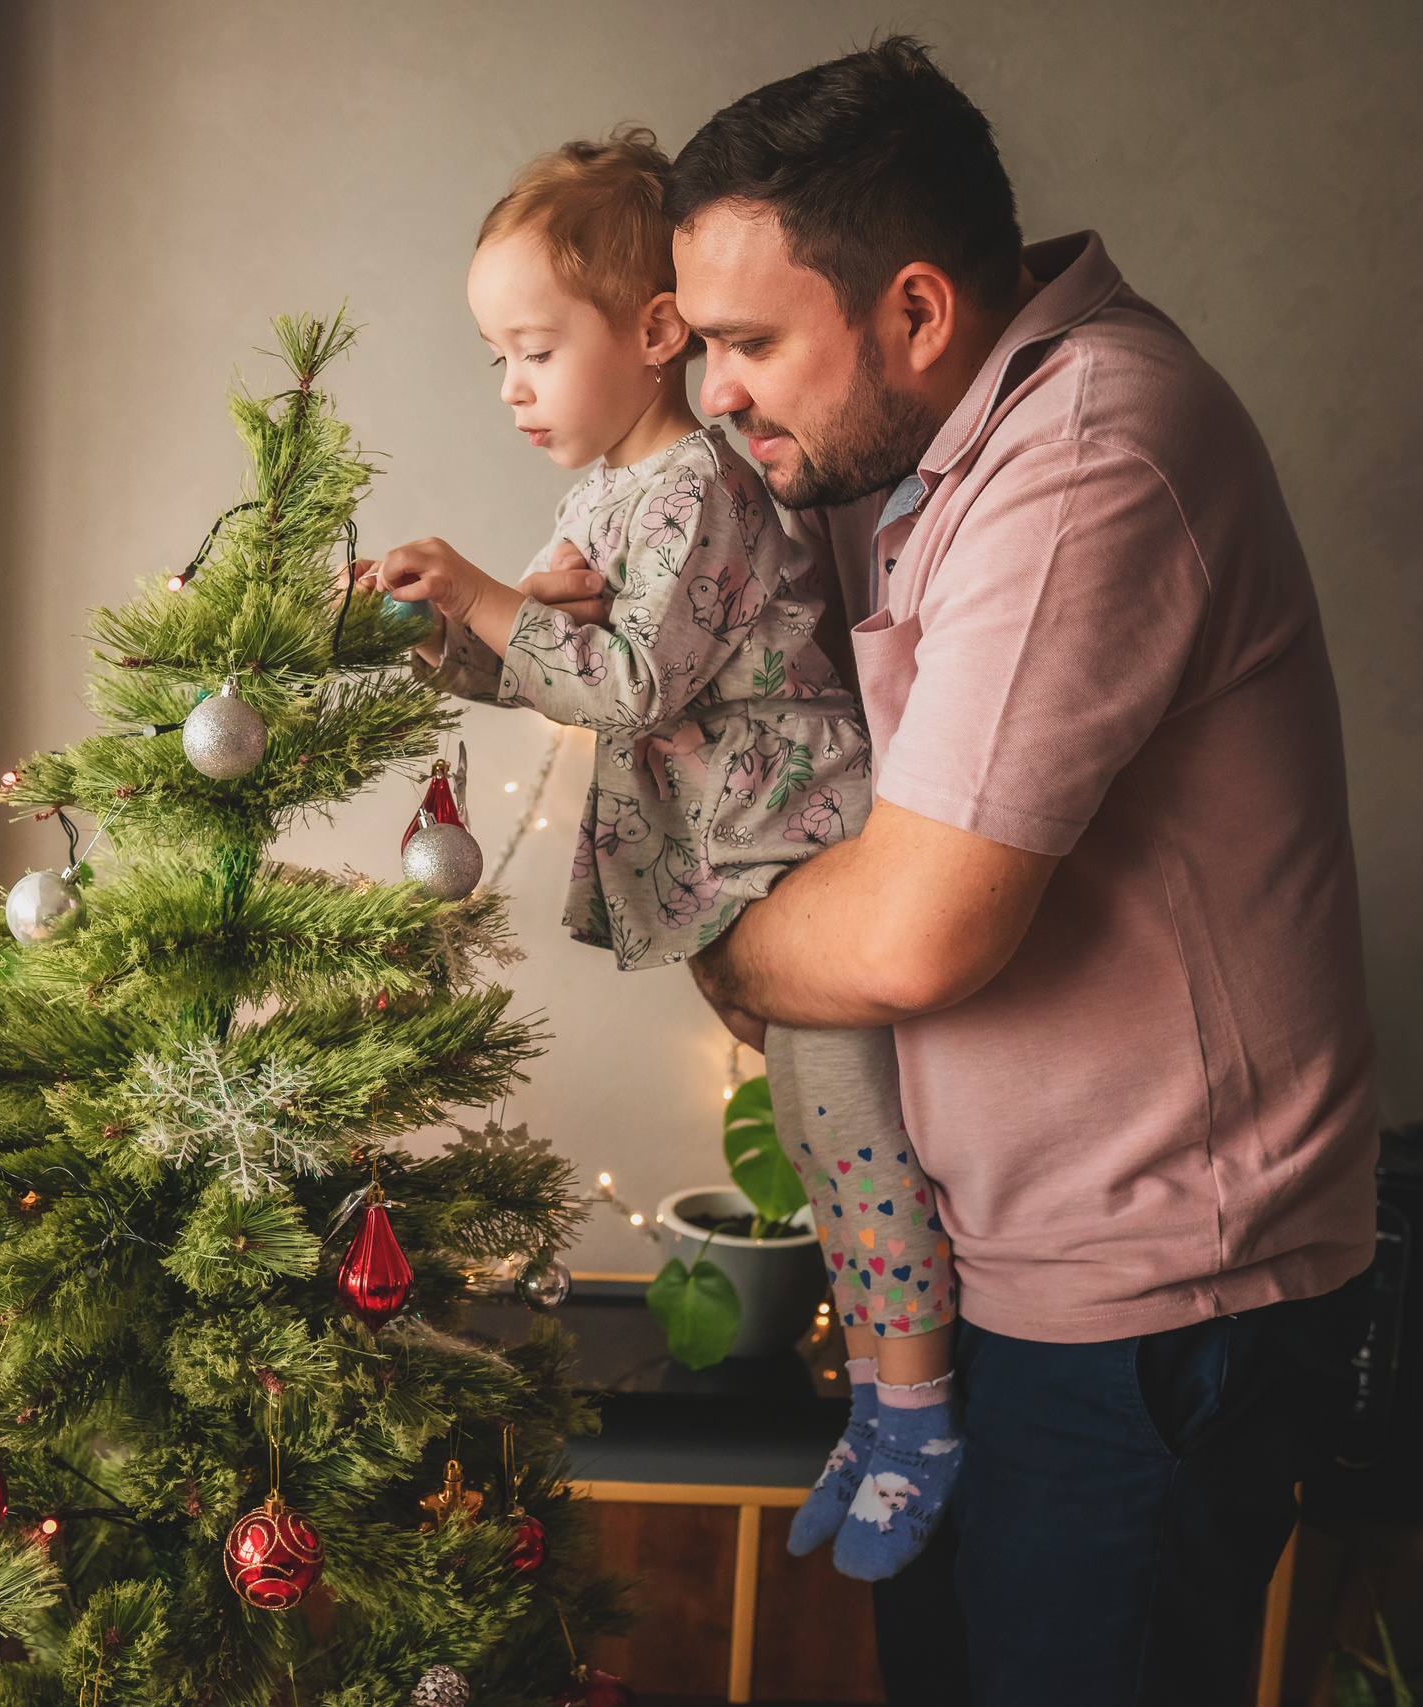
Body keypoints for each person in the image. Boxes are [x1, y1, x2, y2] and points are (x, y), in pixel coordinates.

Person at [517, 37, 1377, 1705]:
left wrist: (722, 948)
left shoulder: (1093, 447)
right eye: (706, 347)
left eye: (755, 343)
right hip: (995, 1279)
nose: (722, 391)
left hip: (1150, 1299)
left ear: (915, 310)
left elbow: (911, 935)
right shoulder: (885, 451)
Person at [358, 127, 962, 1581]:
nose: (509, 386)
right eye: (494, 355)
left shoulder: (692, 485)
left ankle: (920, 1416)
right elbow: (555, 670)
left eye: (533, 350)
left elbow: (629, 680)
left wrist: (504, 596)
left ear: (651, 334)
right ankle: (882, 1404)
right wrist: (445, 630)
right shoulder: (603, 498)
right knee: (822, 1151)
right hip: (739, 867)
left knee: (857, 1143)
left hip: (800, 849)